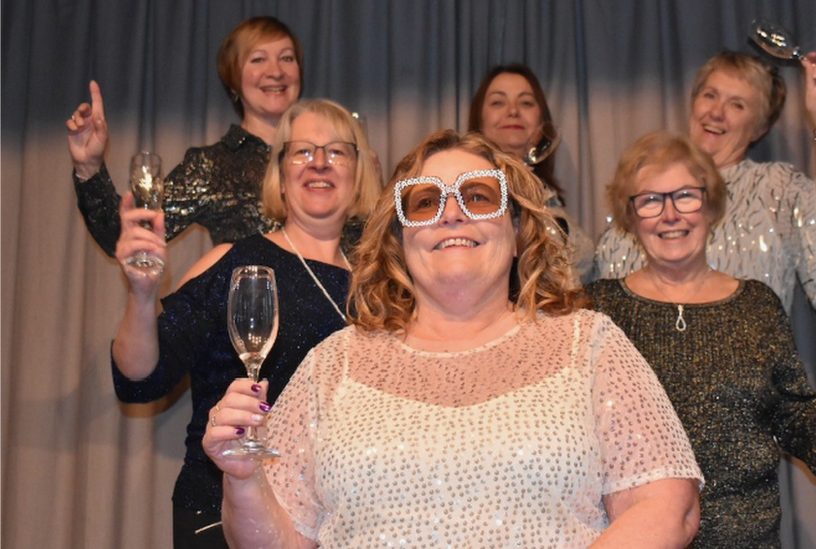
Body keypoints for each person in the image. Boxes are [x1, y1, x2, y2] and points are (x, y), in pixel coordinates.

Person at [203, 130, 704, 548]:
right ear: (399, 240)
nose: (451, 213)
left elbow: (665, 507)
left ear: (517, 227)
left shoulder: (589, 344)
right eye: (424, 202)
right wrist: (242, 479)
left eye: (478, 195)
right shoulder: (332, 364)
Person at [585, 132, 816, 548]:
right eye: (651, 200)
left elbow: (796, 422)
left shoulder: (756, 305)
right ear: (630, 215)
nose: (670, 214)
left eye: (685, 196)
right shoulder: (597, 311)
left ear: (710, 206)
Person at [111, 99, 381, 548]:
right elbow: (140, 381)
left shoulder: (379, 287)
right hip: (222, 509)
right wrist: (141, 295)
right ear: (279, 170)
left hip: (335, 519)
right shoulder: (235, 262)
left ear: (359, 172)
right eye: (302, 151)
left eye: (337, 151)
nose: (319, 162)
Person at [594, 51, 816, 317]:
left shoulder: (774, 187)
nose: (717, 113)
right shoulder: (640, 188)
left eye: (737, 105)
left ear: (759, 129)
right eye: (710, 95)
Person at [67, 16, 305, 257]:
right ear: (233, 80)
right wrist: (89, 167)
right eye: (258, 59)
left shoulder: (330, 155)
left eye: (286, 58)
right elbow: (124, 235)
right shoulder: (211, 166)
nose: (276, 72)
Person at [469, 64, 596, 281]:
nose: (513, 111)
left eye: (526, 102)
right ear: (479, 121)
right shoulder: (464, 198)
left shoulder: (551, 202)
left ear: (541, 123)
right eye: (498, 102)